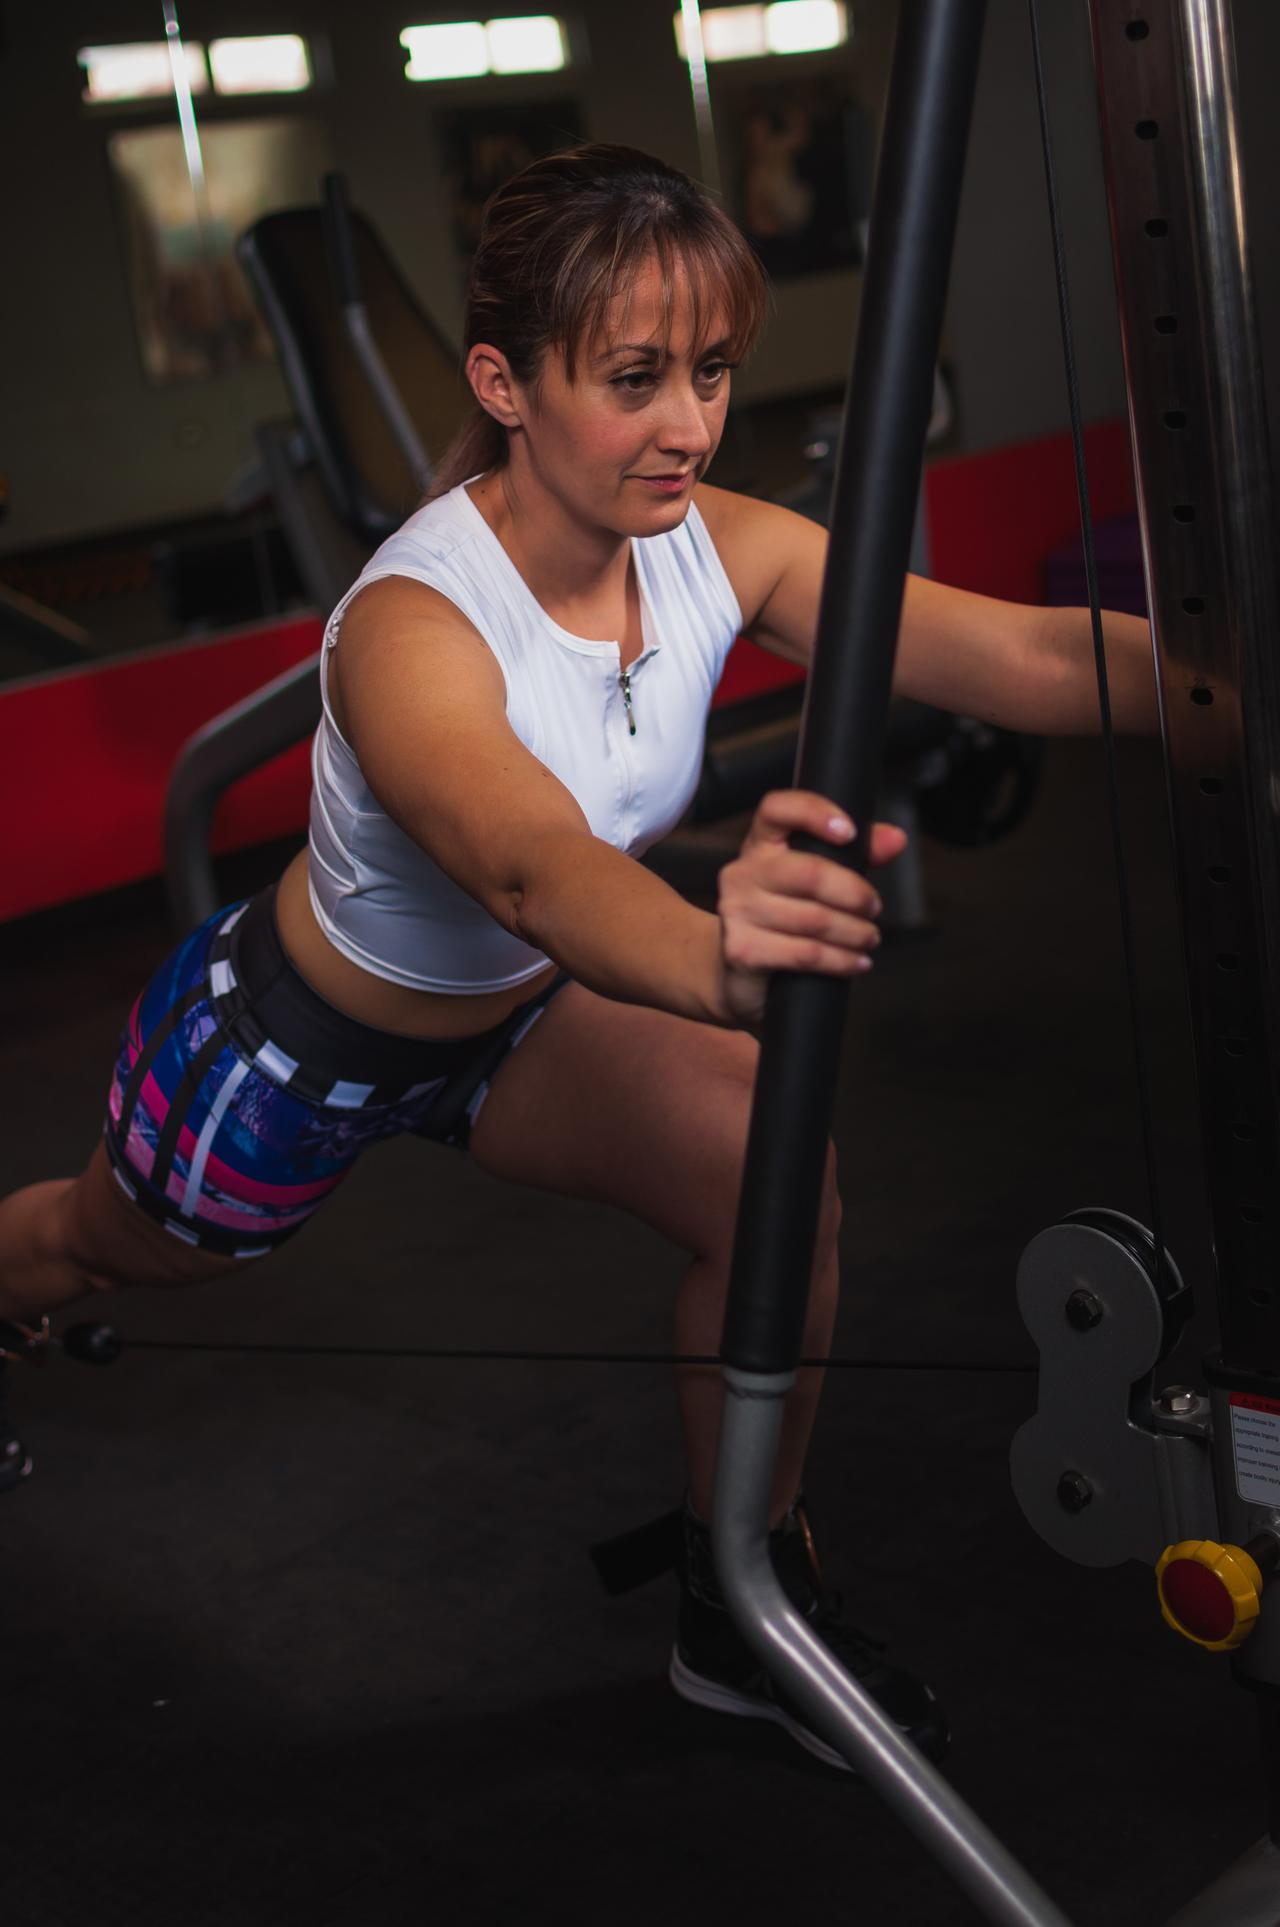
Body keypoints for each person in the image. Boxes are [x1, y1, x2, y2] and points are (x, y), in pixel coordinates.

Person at [0, 144, 1156, 1770]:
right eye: (634, 378)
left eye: (711, 371)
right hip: (301, 1046)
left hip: (528, 1025)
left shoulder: (717, 542)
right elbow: (536, 868)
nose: (690, 422)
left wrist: (1225, 695)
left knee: (773, 1170)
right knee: (102, 1251)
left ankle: (737, 1591)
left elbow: (1023, 648)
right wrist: (723, 963)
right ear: (508, 382)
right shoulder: (412, 626)